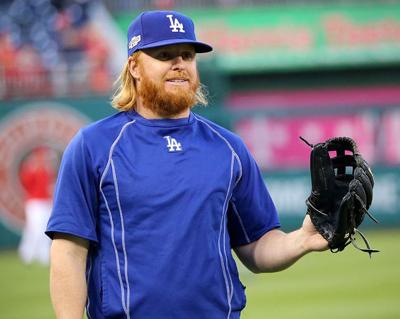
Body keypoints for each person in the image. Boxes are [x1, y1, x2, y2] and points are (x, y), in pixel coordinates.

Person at [46, 10, 328, 319]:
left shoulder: (228, 148)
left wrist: (301, 239)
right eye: (164, 55)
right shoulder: (94, 145)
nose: (179, 64)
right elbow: (69, 251)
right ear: (134, 66)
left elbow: (257, 245)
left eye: (187, 55)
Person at [19, 147, 55, 265]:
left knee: (45, 229)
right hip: (34, 203)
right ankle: (27, 254)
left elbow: (50, 187)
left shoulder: (48, 170)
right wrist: (33, 168)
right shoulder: (31, 169)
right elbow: (25, 183)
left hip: (46, 202)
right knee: (34, 229)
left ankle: (43, 255)